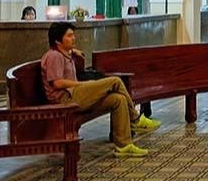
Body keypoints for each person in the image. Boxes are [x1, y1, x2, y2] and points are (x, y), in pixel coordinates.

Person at [41, 22, 159, 158]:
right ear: (57, 40)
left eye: (73, 35)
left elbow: (65, 53)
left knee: (118, 100)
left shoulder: (63, 53)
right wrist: (80, 85)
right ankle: (135, 119)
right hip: (65, 100)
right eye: (69, 36)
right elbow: (57, 83)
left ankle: (124, 146)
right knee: (115, 81)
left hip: (74, 95)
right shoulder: (54, 56)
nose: (74, 38)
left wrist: (73, 51)